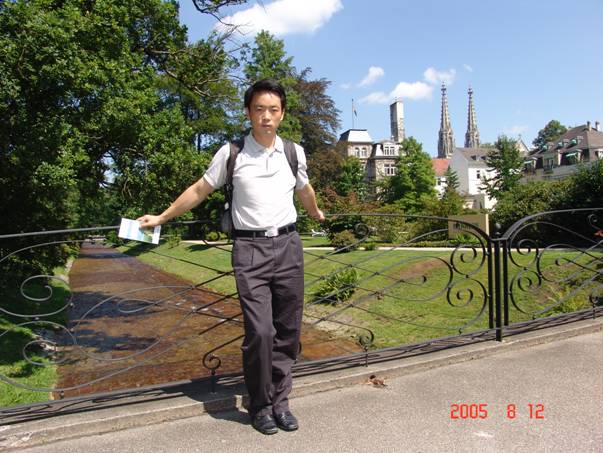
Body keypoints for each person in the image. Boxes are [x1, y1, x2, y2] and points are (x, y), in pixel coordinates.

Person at [137, 78, 324, 435]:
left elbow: (304, 188)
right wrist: (162, 217)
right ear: (248, 113)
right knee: (261, 332)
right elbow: (200, 189)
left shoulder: (293, 152)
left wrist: (314, 212)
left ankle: (281, 402)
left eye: (273, 110)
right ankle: (260, 404)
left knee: (288, 330)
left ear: (282, 114)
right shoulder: (232, 153)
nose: (266, 116)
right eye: (259, 109)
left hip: (288, 245)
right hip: (250, 250)